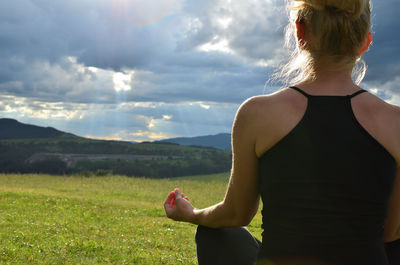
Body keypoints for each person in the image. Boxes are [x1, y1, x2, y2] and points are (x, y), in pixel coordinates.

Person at [164, 0, 400, 264]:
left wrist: (191, 213)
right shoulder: (395, 121)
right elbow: (390, 233)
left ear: (300, 32)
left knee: (214, 233)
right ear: (365, 44)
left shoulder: (257, 113)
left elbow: (235, 214)